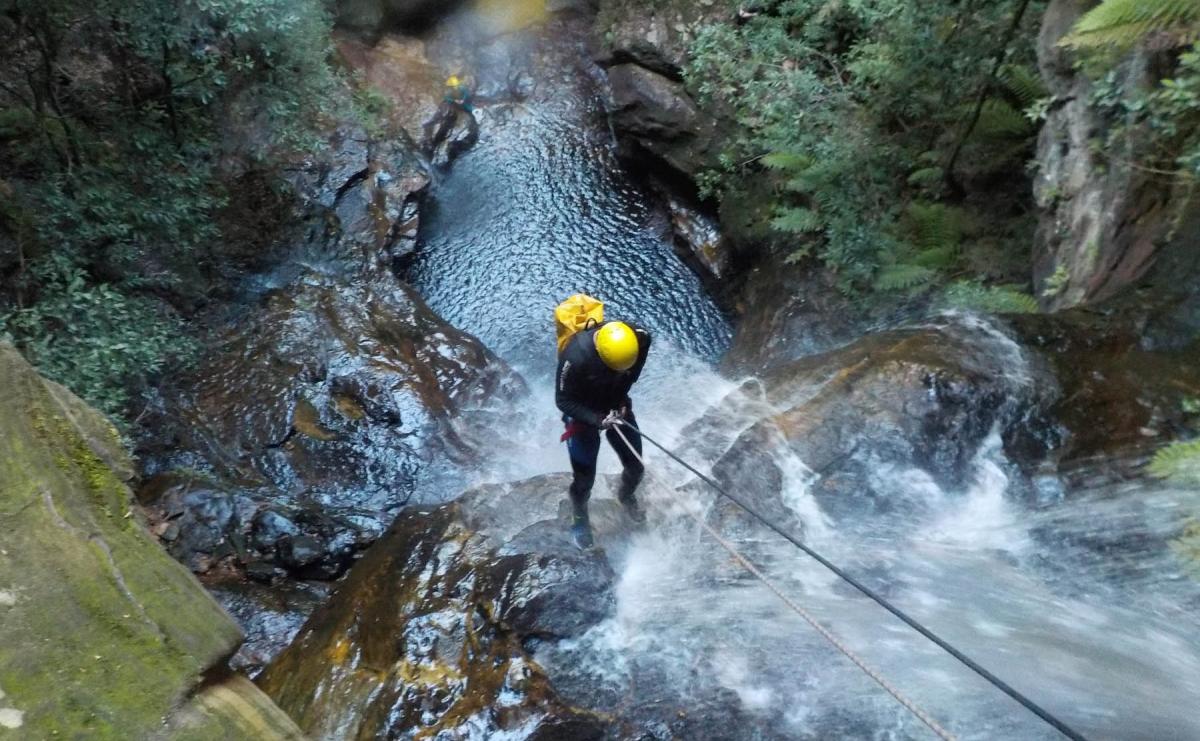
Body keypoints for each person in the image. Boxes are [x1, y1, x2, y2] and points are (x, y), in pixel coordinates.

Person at [556, 319, 652, 549]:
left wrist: (621, 402)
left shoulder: (640, 339)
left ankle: (625, 497)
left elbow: (632, 373)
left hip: (616, 405)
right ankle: (579, 517)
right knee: (584, 479)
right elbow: (563, 400)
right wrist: (596, 419)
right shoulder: (575, 356)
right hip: (584, 415)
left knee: (636, 466)